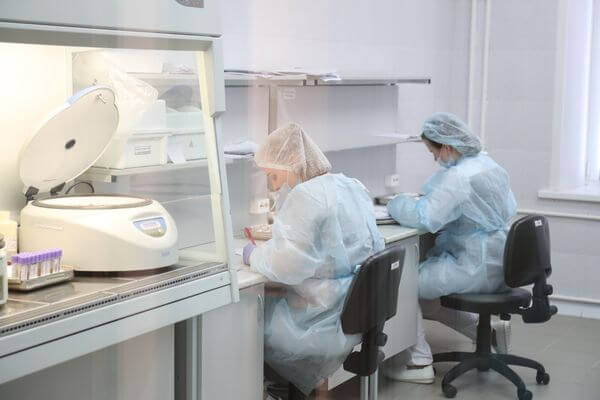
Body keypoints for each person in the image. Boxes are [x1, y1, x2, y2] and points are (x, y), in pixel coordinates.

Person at [242, 122, 385, 395]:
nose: (273, 181)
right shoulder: (348, 184)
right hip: (353, 310)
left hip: (321, 318)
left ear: (292, 159)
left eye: (273, 172)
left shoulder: (306, 195)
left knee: (247, 322)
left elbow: (288, 266)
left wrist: (254, 255)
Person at [384, 112, 517, 383]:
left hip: (474, 267)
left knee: (405, 284)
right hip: (500, 261)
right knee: (427, 297)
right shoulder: (488, 164)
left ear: (446, 146)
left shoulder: (459, 177)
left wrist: (394, 203)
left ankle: (417, 362)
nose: (435, 158)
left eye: (433, 152)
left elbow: (425, 217)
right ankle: (486, 330)